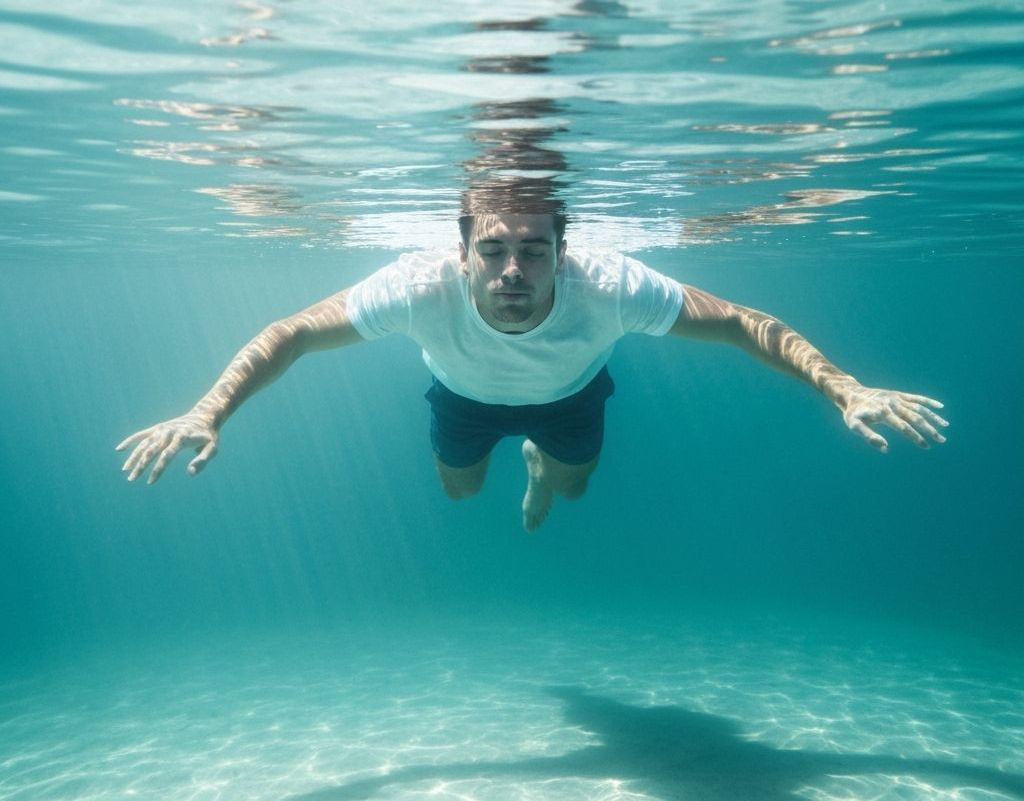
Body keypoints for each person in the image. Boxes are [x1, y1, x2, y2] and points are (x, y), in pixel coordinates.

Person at [117, 208, 947, 532]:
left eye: (533, 251)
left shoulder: (612, 284)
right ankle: (515, 460)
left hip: (570, 399)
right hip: (465, 400)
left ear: (563, 253)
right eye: (495, 249)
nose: (513, 269)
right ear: (464, 252)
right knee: (458, 492)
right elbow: (292, 333)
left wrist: (845, 386)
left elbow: (739, 324)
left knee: (573, 488)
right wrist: (210, 409)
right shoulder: (416, 287)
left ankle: (542, 471)